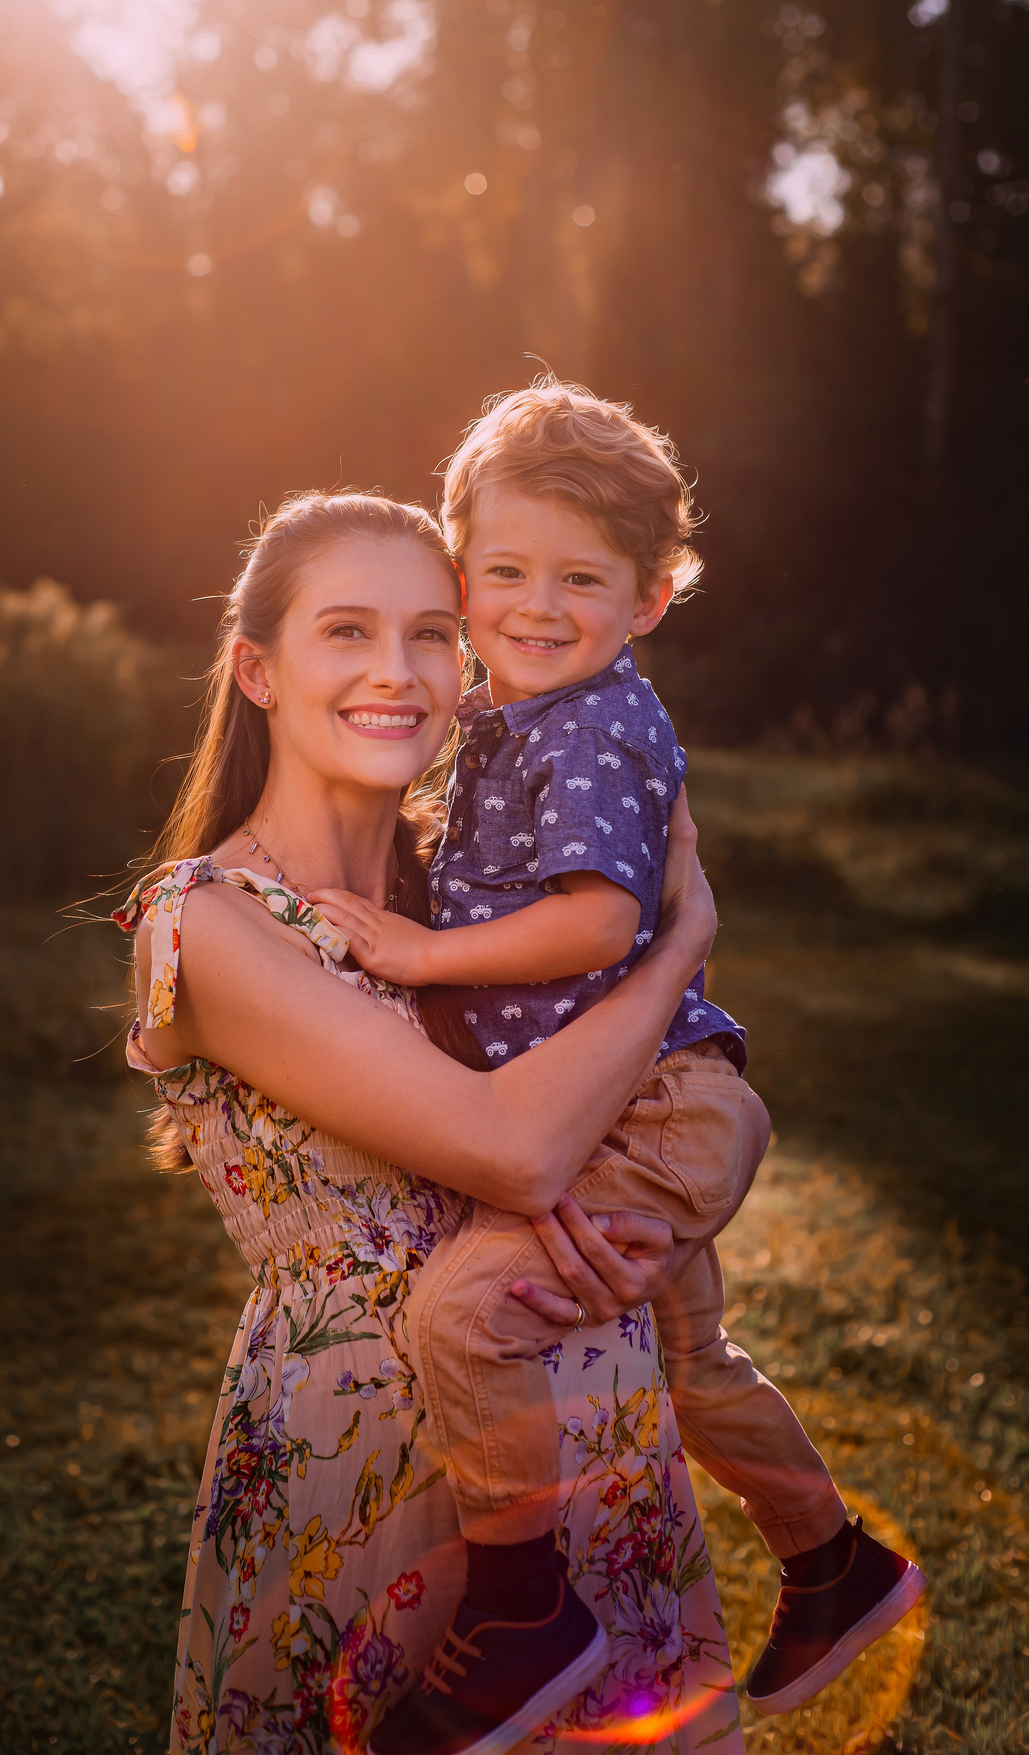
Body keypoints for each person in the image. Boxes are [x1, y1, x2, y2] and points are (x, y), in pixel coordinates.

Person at [311, 387, 924, 1750]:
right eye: (506, 572)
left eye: (581, 579)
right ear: (463, 575)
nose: (536, 605)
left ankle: (527, 1607)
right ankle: (835, 1562)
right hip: (656, 1092)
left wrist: (415, 954)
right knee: (691, 1357)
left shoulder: (585, 725)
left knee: (462, 1321)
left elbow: (595, 919)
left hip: (648, 1110)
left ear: (651, 597)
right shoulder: (520, 716)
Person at [114, 491, 748, 1755]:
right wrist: (677, 949)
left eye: (433, 634)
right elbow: (516, 1148)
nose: (397, 674)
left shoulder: (475, 899)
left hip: (592, 1438)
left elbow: (668, 1109)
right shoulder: (211, 924)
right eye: (346, 632)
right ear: (257, 669)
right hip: (364, 1471)